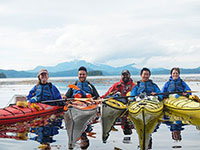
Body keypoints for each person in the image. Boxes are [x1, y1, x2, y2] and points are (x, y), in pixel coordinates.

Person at [65, 66, 100, 149]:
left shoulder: (90, 86)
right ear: (78, 75)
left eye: (83, 74)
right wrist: (64, 99)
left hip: (88, 105)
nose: (82, 76)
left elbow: (97, 97)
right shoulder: (74, 86)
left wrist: (98, 102)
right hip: (76, 105)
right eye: (80, 74)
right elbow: (66, 97)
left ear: (86, 75)